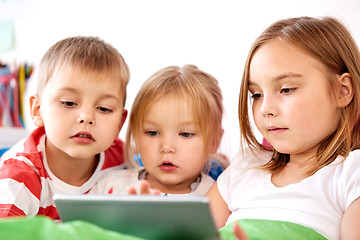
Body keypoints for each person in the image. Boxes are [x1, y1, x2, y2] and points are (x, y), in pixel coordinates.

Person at [206, 16, 360, 240]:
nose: (265, 109)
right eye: (256, 95)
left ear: (342, 90)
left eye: (286, 89)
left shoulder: (350, 175)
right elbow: (185, 231)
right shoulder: (246, 165)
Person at [0, 36, 129, 220]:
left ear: (119, 123)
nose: (86, 118)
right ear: (38, 110)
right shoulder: (18, 179)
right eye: (69, 103)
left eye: (104, 108)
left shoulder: (122, 160)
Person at [90, 65, 225, 195]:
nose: (166, 147)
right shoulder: (111, 184)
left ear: (215, 141)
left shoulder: (218, 195)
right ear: (136, 136)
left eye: (185, 134)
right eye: (152, 133)